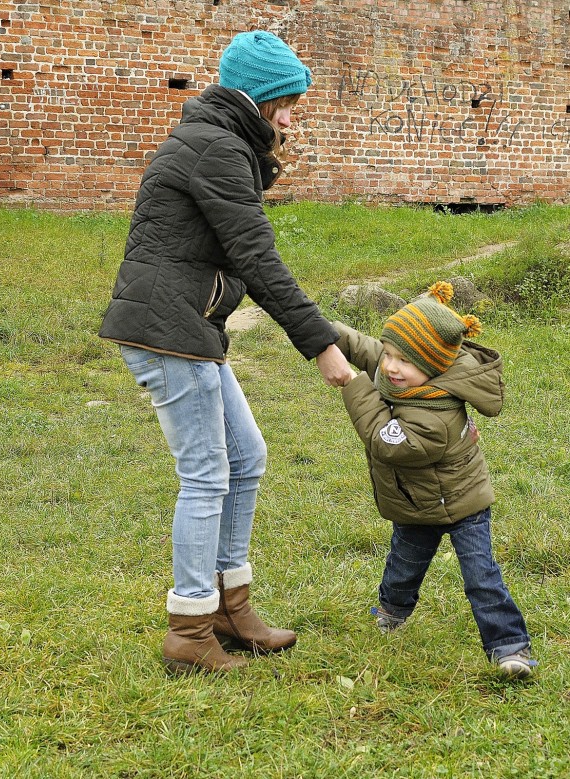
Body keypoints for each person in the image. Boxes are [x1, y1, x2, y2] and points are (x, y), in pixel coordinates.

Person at [99, 30, 351, 674]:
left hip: (187, 323)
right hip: (167, 327)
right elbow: (257, 259)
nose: (293, 116)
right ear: (257, 98)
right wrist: (320, 344)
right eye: (288, 103)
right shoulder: (215, 149)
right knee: (208, 472)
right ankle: (189, 628)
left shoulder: (221, 142)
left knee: (247, 455)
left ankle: (229, 607)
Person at [334, 282, 536, 678]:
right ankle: (391, 612)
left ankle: (510, 646)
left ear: (432, 366)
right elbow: (369, 350)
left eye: (402, 361)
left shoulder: (436, 414)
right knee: (404, 566)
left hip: (464, 506)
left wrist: (353, 384)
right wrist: (325, 332)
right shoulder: (409, 372)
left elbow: (385, 442)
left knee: (481, 577)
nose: (391, 367)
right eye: (389, 354)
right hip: (416, 504)